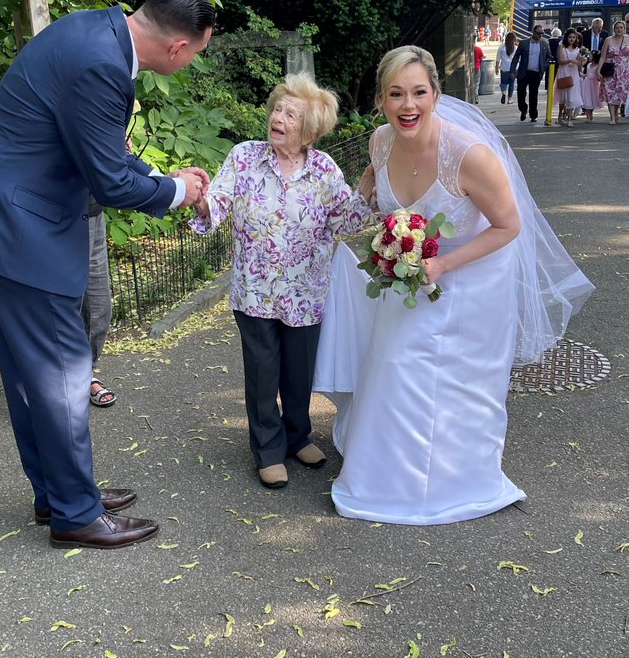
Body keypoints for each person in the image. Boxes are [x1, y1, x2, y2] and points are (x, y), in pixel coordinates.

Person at [0, 0, 215, 549]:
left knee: (30, 376)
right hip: (19, 227)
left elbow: (102, 147)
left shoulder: (97, 30)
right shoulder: (101, 64)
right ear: (178, 48)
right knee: (62, 375)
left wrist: (163, 179)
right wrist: (177, 191)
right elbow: (108, 179)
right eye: (198, 51)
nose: (194, 61)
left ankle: (59, 493)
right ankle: (75, 512)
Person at [313, 45, 594, 525]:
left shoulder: (470, 156)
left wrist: (443, 266)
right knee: (391, 364)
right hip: (406, 277)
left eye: (419, 92)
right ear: (380, 100)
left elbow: (508, 226)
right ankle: (386, 476)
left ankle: (448, 479)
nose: (408, 105)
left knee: (439, 378)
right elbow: (369, 193)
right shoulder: (380, 142)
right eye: (395, 94)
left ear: (436, 94)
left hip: (469, 277)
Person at [190, 73, 374, 489]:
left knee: (298, 372)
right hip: (255, 290)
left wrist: (366, 192)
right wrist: (200, 200)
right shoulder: (244, 158)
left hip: (306, 291)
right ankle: (268, 450)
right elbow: (217, 203)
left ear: (309, 129)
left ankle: (298, 436)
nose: (279, 118)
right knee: (262, 371)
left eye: (291, 114)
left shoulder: (324, 170)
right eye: (277, 109)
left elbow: (345, 220)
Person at [82, 198, 116, 407]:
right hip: (62, 217)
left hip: (94, 212)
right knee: (66, 306)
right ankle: (61, 382)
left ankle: (84, 374)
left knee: (99, 308)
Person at [510, 23, 550, 123]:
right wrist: (512, 71)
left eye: (542, 34)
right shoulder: (524, 43)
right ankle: (523, 109)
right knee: (521, 93)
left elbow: (549, 57)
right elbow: (516, 58)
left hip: (536, 73)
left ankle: (533, 115)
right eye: (539, 33)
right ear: (533, 32)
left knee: (533, 95)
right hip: (523, 72)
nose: (541, 36)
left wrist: (544, 67)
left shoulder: (545, 44)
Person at [597, 19, 629, 124]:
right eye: (617, 28)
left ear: (624, 29)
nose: (619, 30)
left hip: (624, 70)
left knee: (620, 92)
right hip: (610, 69)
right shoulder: (608, 40)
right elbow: (602, 57)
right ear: (614, 29)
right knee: (610, 92)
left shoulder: (628, 39)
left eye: (621, 27)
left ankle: (616, 112)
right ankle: (612, 117)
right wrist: (598, 71)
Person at [555, 27, 584, 128]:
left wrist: (581, 62)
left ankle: (569, 119)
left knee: (571, 96)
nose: (572, 39)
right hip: (564, 72)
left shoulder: (578, 49)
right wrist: (571, 61)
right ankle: (560, 115)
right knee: (563, 96)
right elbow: (560, 61)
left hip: (574, 73)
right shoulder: (561, 47)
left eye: (574, 37)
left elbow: (579, 64)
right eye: (570, 37)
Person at [495, 31, 518, 103]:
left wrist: (496, 68)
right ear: (514, 39)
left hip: (504, 68)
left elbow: (498, 59)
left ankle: (504, 93)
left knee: (503, 83)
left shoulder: (501, 47)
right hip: (513, 69)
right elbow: (518, 59)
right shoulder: (515, 48)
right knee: (511, 84)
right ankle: (509, 99)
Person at [580, 50, 603, 122]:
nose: (589, 57)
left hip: (594, 83)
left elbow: (598, 76)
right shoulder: (588, 64)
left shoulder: (598, 66)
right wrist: (583, 75)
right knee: (587, 98)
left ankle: (591, 112)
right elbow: (587, 73)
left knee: (593, 97)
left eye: (591, 56)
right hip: (587, 83)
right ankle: (588, 115)